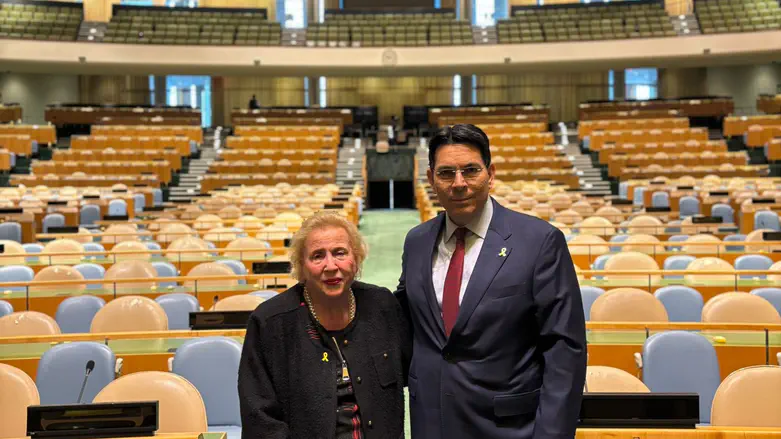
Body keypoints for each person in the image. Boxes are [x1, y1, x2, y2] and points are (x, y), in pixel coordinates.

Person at [395, 123, 587, 439]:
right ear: (431, 179)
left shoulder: (539, 242)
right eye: (446, 173)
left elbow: (565, 349)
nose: (459, 184)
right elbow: (403, 320)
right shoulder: (416, 242)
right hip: (432, 421)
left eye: (470, 170)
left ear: (491, 175)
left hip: (509, 428)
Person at [239, 212, 411, 439]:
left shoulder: (382, 306)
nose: (331, 266)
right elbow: (260, 419)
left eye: (340, 253)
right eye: (317, 256)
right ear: (301, 265)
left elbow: (414, 375)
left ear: (356, 258)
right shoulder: (270, 324)